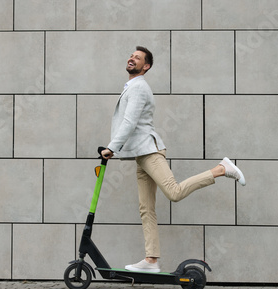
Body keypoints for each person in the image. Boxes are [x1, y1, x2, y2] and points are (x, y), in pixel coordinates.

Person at [101, 46, 245, 273]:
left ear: (146, 66)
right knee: (146, 208)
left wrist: (112, 148)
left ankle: (220, 169)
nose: (132, 58)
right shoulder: (131, 86)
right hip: (141, 155)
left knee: (174, 192)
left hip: (150, 152)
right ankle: (151, 260)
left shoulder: (139, 88)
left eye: (137, 58)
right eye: (131, 56)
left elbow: (129, 122)